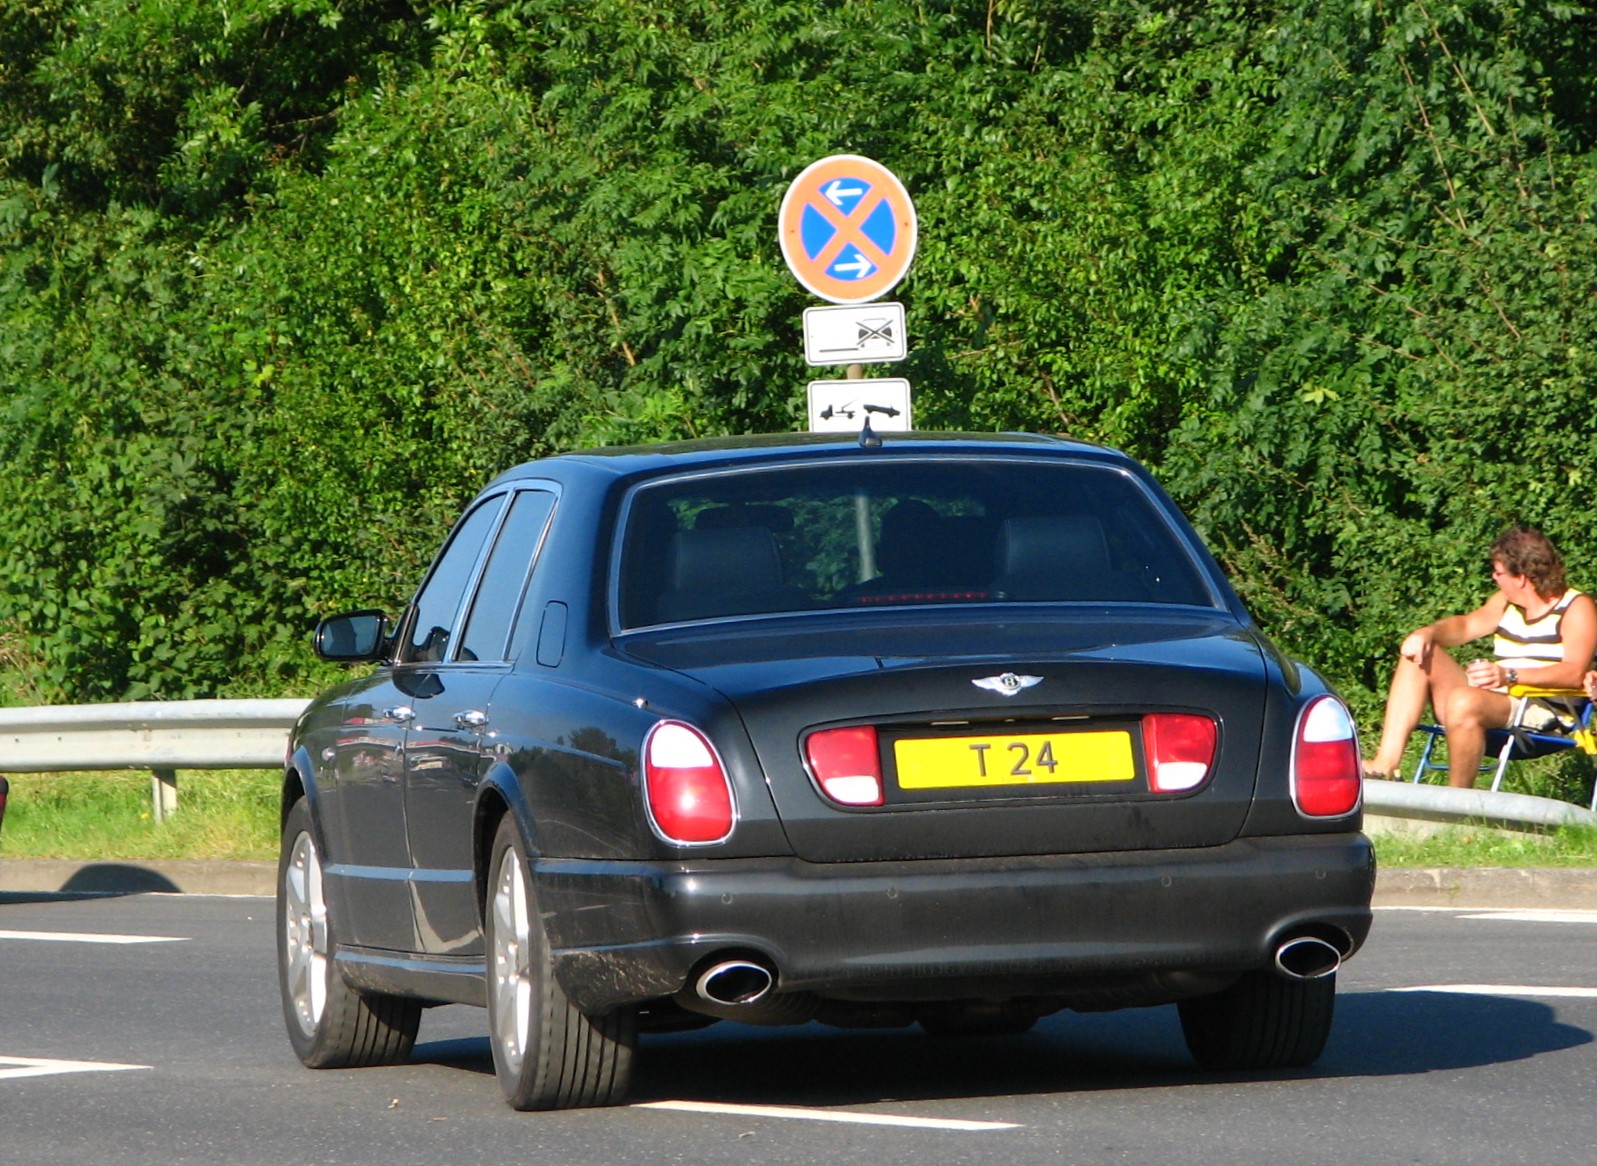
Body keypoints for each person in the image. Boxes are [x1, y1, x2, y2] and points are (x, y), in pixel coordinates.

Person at [1363, 525, 1597, 788]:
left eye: (1498, 572)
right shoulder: (1506, 602)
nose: (1494, 578)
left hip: (1541, 712)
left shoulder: (1576, 607)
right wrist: (1427, 633)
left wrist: (1508, 675)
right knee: (1417, 655)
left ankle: (1457, 799)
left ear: (1521, 578)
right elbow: (1465, 626)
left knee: (1465, 700)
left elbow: (1573, 673)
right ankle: (1385, 764)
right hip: (1491, 701)